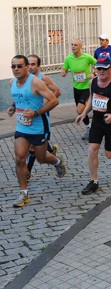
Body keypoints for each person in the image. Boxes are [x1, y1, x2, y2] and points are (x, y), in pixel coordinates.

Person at [8, 55, 66, 207]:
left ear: (27, 67)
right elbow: (19, 97)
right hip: (22, 127)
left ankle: (57, 161)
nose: (16, 69)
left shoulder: (36, 82)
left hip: (39, 127)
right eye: (13, 66)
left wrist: (35, 113)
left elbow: (54, 100)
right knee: (20, 159)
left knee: (41, 158)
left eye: (19, 66)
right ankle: (23, 194)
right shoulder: (12, 82)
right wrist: (14, 107)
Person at [75, 55, 111, 195]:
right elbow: (92, 98)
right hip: (97, 121)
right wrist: (84, 114)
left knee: (109, 154)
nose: (101, 71)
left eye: (104, 68)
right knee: (92, 150)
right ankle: (94, 181)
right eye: (98, 68)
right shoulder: (93, 82)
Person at [26, 54, 61, 180]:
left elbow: (57, 91)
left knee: (32, 146)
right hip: (28, 117)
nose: (30, 67)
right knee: (34, 142)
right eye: (28, 64)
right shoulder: (25, 79)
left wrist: (45, 105)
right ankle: (51, 150)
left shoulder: (43, 78)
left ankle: (27, 173)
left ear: (39, 66)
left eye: (33, 64)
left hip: (40, 117)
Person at [61, 38, 97, 140]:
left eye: (75, 45)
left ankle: (93, 122)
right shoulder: (68, 58)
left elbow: (98, 64)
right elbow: (65, 69)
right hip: (76, 88)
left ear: (81, 46)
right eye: (72, 44)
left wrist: (93, 73)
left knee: (80, 109)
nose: (73, 47)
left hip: (86, 88)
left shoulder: (87, 57)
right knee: (80, 112)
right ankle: (89, 128)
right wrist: (63, 72)